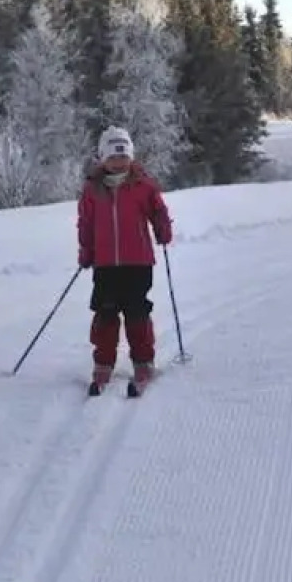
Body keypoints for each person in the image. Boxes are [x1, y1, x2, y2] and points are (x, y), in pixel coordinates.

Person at [77, 125, 173, 390]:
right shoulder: (92, 190)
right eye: (112, 158)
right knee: (105, 313)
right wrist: (86, 251)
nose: (119, 163)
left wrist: (163, 228)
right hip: (105, 263)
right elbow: (85, 224)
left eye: (123, 157)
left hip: (138, 262)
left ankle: (143, 362)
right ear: (103, 159)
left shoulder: (144, 186)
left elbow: (158, 211)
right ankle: (103, 364)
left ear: (130, 157)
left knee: (136, 312)